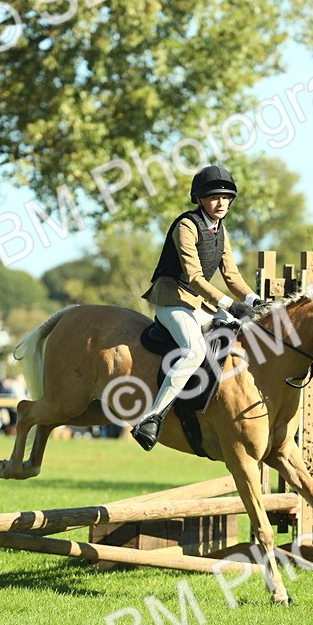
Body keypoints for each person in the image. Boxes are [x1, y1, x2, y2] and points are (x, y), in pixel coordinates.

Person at [130, 164, 262, 451]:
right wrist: (228, 303)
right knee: (195, 351)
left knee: (240, 330)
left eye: (226, 198)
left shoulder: (220, 230)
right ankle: (152, 418)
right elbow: (194, 277)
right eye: (215, 197)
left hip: (198, 303)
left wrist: (253, 300)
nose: (221, 203)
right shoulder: (186, 226)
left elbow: (232, 276)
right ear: (199, 199)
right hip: (172, 300)